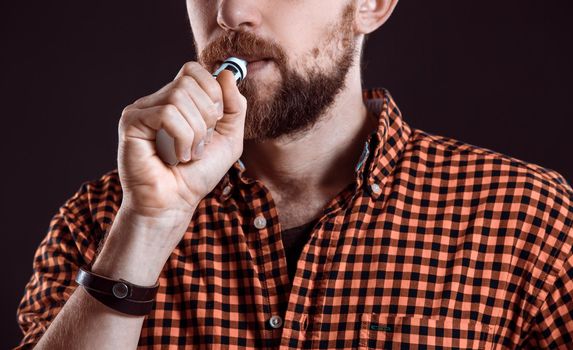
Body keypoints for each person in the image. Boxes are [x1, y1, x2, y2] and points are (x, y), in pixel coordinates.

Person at [15, 0, 573, 349]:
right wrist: (147, 227)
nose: (230, 12)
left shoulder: (532, 222)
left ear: (372, 4)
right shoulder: (100, 223)